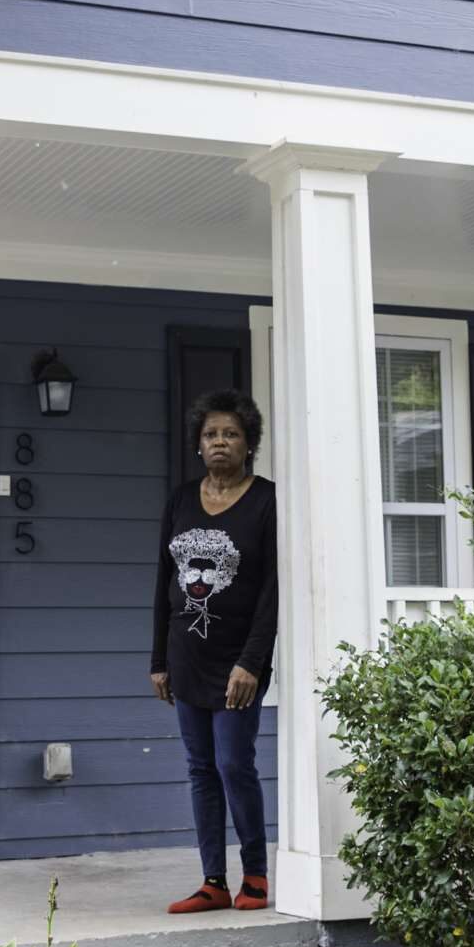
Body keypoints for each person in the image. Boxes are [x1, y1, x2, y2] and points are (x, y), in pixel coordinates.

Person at [150, 389, 278, 913]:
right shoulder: (180, 500)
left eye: (230, 433)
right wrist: (158, 659)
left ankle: (255, 874)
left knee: (232, 763)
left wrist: (252, 661)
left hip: (237, 660)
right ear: (198, 445)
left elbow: (272, 589)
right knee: (199, 767)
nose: (220, 441)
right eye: (210, 434)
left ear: (249, 444)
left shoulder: (267, 500)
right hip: (186, 656)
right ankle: (212, 881)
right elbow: (164, 582)